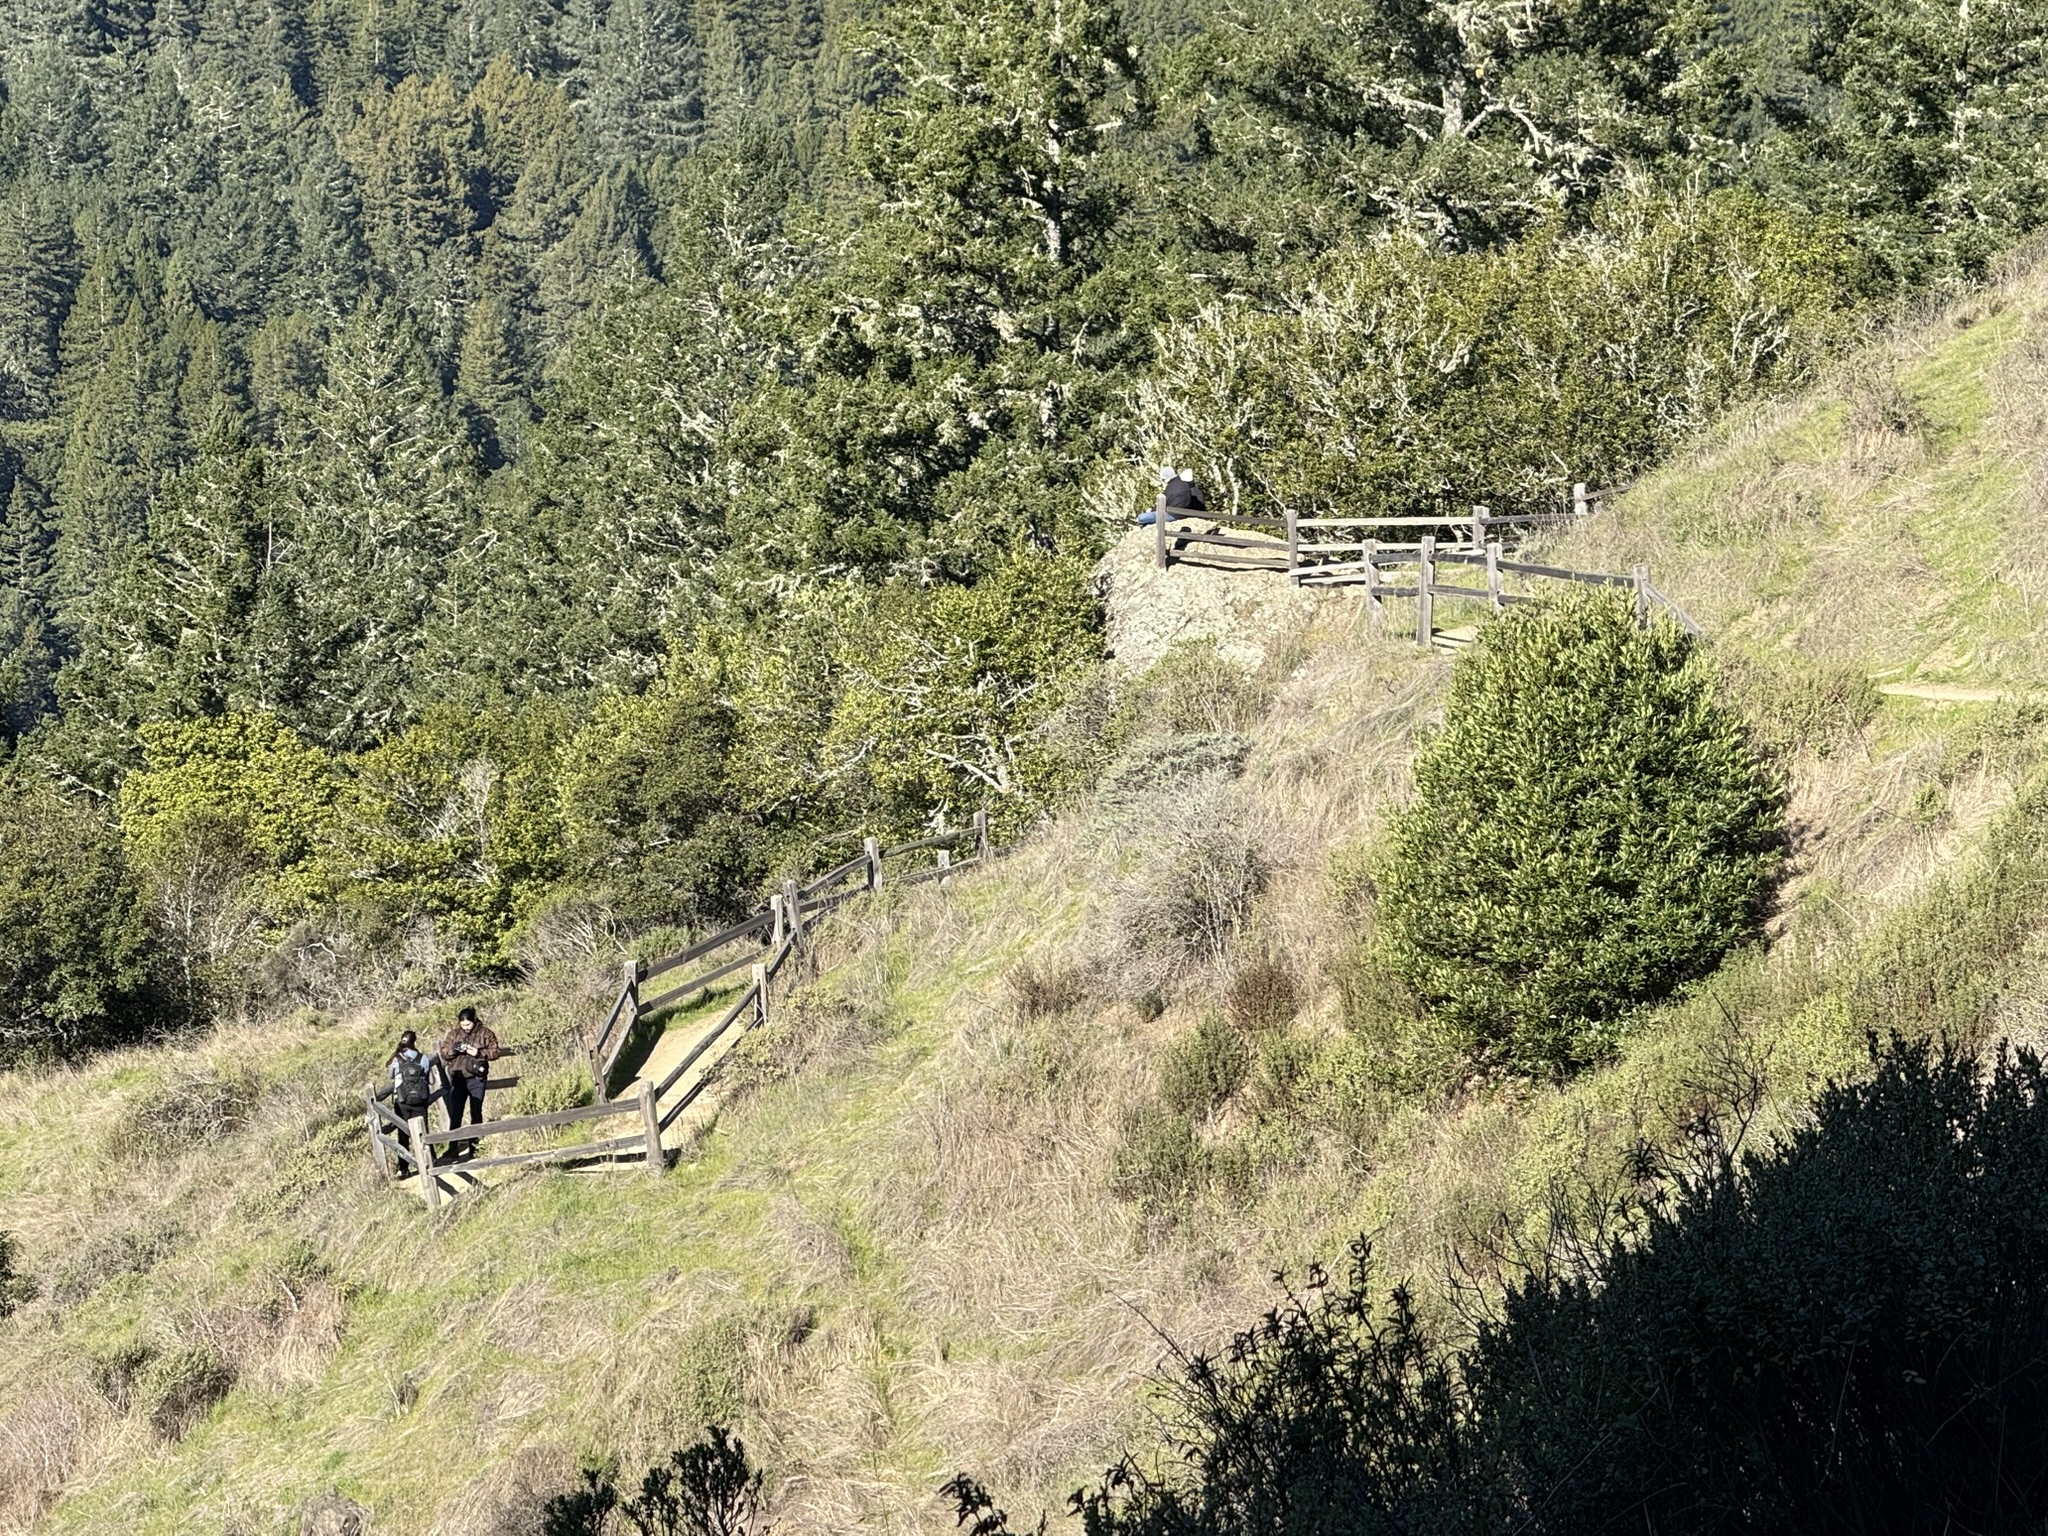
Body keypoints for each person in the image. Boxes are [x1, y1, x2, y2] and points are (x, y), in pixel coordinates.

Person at [438, 1006, 501, 1160]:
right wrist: (454, 1050)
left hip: (476, 1078)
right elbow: (444, 1053)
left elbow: (495, 1051)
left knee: (476, 1112)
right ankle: (453, 1148)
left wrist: (479, 1053)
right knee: (456, 1113)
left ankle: (475, 1147)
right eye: (462, 1025)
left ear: (474, 1020)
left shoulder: (485, 1033)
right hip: (458, 1079)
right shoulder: (454, 1034)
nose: (465, 1027)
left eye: (468, 1024)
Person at [387, 1029, 436, 1173]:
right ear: (414, 1041)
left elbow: (391, 1075)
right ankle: (429, 1162)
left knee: (403, 1133)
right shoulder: (423, 1058)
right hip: (420, 1100)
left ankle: (404, 1167)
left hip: (401, 1100)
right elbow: (431, 1080)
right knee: (423, 1131)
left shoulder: (397, 1059)